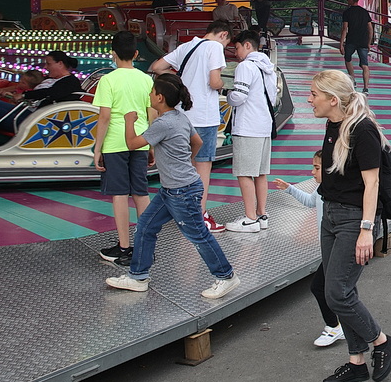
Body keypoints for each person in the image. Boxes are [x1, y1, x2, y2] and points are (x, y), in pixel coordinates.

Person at [105, 74, 240, 300]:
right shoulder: (180, 117)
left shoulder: (163, 123)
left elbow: (131, 143)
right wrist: (186, 162)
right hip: (173, 189)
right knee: (145, 227)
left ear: (159, 97)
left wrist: (129, 120)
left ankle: (226, 276)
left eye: (151, 92)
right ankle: (138, 276)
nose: (149, 95)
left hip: (181, 191)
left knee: (198, 234)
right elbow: (197, 142)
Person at [305, 71, 391, 382]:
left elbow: (371, 183)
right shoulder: (334, 124)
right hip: (330, 216)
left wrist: (365, 230)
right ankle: (357, 361)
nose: (309, 98)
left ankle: (382, 341)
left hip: (353, 219)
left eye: (314, 93)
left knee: (336, 293)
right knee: (343, 290)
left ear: (333, 99)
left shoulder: (363, 130)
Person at [150, 20, 232, 233]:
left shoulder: (187, 46)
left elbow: (157, 67)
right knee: (203, 166)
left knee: (182, 165)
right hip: (203, 117)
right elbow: (214, 82)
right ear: (223, 35)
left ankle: (181, 212)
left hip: (181, 114)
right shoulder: (214, 47)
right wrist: (224, 84)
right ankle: (199, 215)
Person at [93, 31, 155, 267]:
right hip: (139, 140)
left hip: (115, 143)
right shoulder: (146, 79)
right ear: (137, 54)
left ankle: (124, 247)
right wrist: (151, 146)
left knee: (119, 194)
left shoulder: (107, 80)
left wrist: (97, 149)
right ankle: (145, 246)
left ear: (113, 53)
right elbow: (152, 114)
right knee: (141, 193)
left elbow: (105, 117)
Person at [271, 153, 344, 348]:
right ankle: (344, 326)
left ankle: (335, 327)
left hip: (339, 248)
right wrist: (290, 189)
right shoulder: (322, 188)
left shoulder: (340, 193)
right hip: (331, 248)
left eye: (317, 168)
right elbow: (311, 201)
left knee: (321, 287)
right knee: (337, 290)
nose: (312, 172)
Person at [0, 51, 82, 145]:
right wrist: (5, 91)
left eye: (48, 64)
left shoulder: (70, 82)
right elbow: (24, 86)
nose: (45, 67)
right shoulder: (49, 79)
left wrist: (24, 95)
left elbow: (51, 93)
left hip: (38, 120)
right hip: (28, 113)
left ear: (60, 64)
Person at [224, 30, 276, 233]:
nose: (236, 52)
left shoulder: (245, 66)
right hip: (264, 125)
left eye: (237, 47)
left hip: (247, 126)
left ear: (247, 45)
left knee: (244, 173)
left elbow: (239, 96)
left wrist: (228, 95)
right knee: (261, 173)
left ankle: (250, 218)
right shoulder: (268, 67)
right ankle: (261, 214)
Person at [340, 0, 374, 93]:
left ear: (350, 0)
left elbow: (344, 29)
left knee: (348, 58)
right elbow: (370, 28)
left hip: (351, 40)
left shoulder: (347, 12)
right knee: (365, 65)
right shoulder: (364, 12)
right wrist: (369, 42)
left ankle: (353, 80)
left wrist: (341, 43)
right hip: (363, 40)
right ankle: (366, 88)